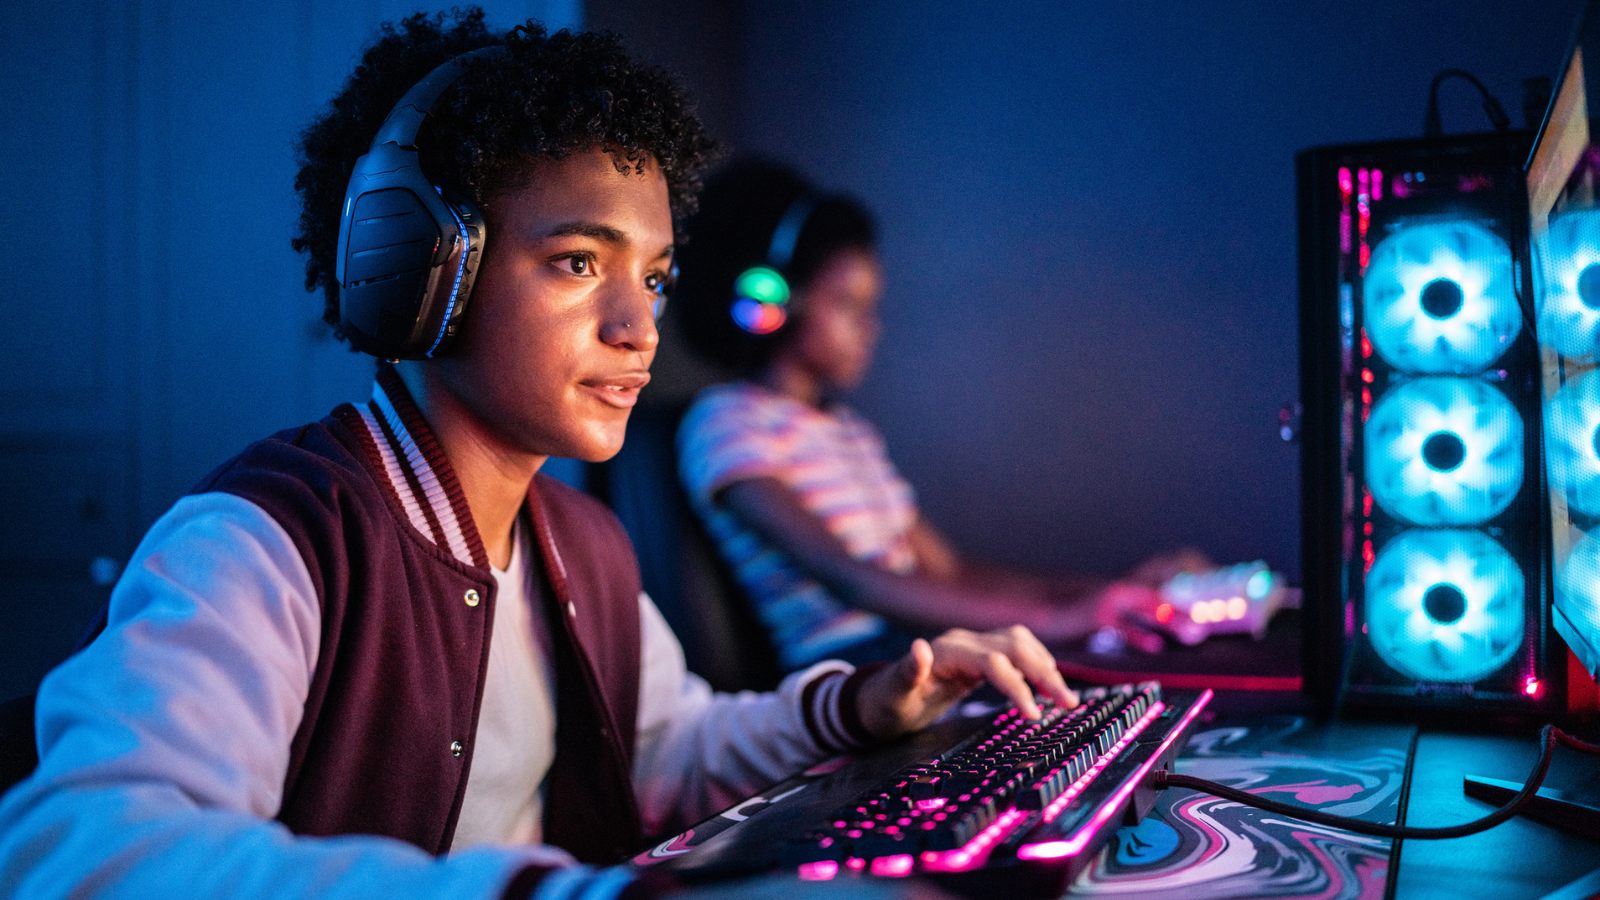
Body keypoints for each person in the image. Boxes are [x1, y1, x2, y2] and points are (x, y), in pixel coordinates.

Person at [0, 13, 1076, 900]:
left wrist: (864, 702)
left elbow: (666, 749)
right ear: (418, 269)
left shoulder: (579, 543)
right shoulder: (270, 541)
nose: (638, 327)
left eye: (651, 277)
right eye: (575, 261)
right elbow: (81, 851)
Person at [674, 159, 1208, 673]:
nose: (871, 327)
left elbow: (949, 575)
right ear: (772, 301)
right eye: (849, 304)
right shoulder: (726, 421)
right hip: (851, 671)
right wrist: (1057, 619)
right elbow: (852, 579)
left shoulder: (848, 432)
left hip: (916, 643)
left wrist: (1105, 594)